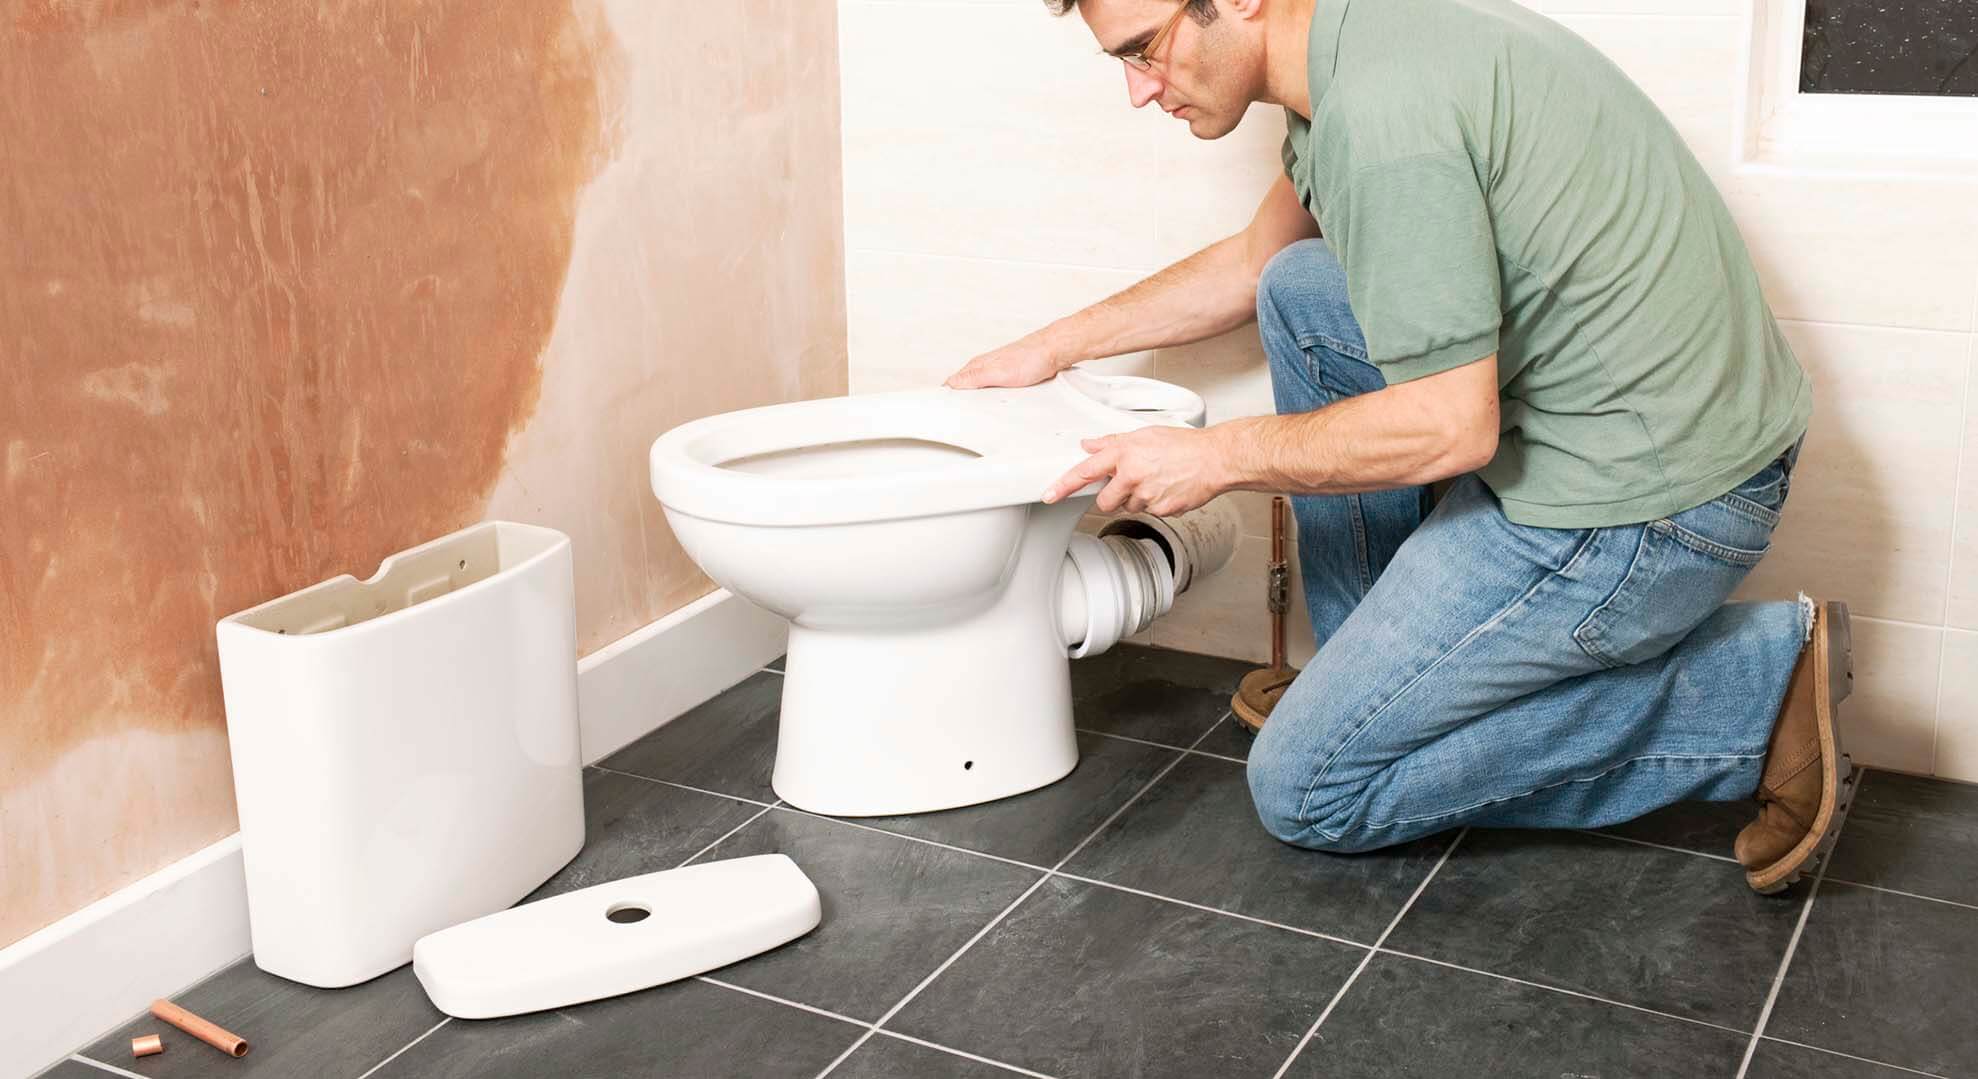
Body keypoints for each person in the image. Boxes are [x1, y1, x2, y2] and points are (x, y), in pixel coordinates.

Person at [943, 0, 1853, 894]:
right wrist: (1050, 346)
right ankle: (1378, 683)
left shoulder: (1384, 120)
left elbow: (1450, 426)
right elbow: (1255, 262)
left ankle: (1756, 692)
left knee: (1307, 789)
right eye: (1122, 61)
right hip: (1644, 431)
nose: (1140, 91)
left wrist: (1216, 455)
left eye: (1146, 49)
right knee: (1303, 287)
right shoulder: (1357, 47)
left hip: (1651, 512)